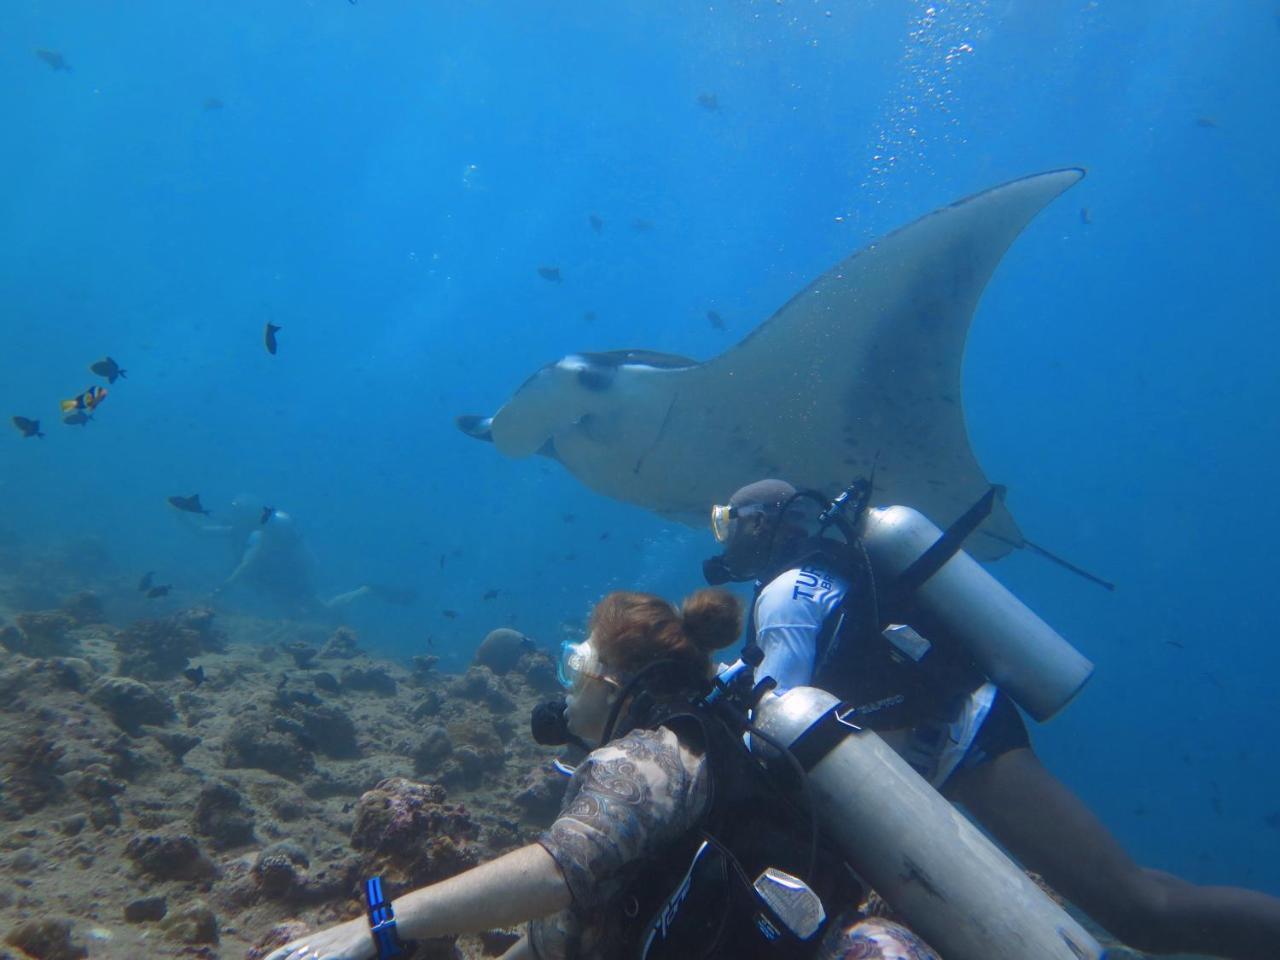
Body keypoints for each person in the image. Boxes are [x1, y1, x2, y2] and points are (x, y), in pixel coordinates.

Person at [705, 477, 1280, 960]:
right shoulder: (830, 568)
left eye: (728, 521)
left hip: (964, 743)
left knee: (1140, 911)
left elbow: (775, 723)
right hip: (963, 730)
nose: (725, 536)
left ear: (759, 525)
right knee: (1146, 900)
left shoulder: (783, 596)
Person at [262, 588, 940, 960]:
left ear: (612, 678)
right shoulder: (714, 748)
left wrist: (376, 927)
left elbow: (559, 870)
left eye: (572, 665)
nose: (567, 687)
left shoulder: (645, 756)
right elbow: (564, 928)